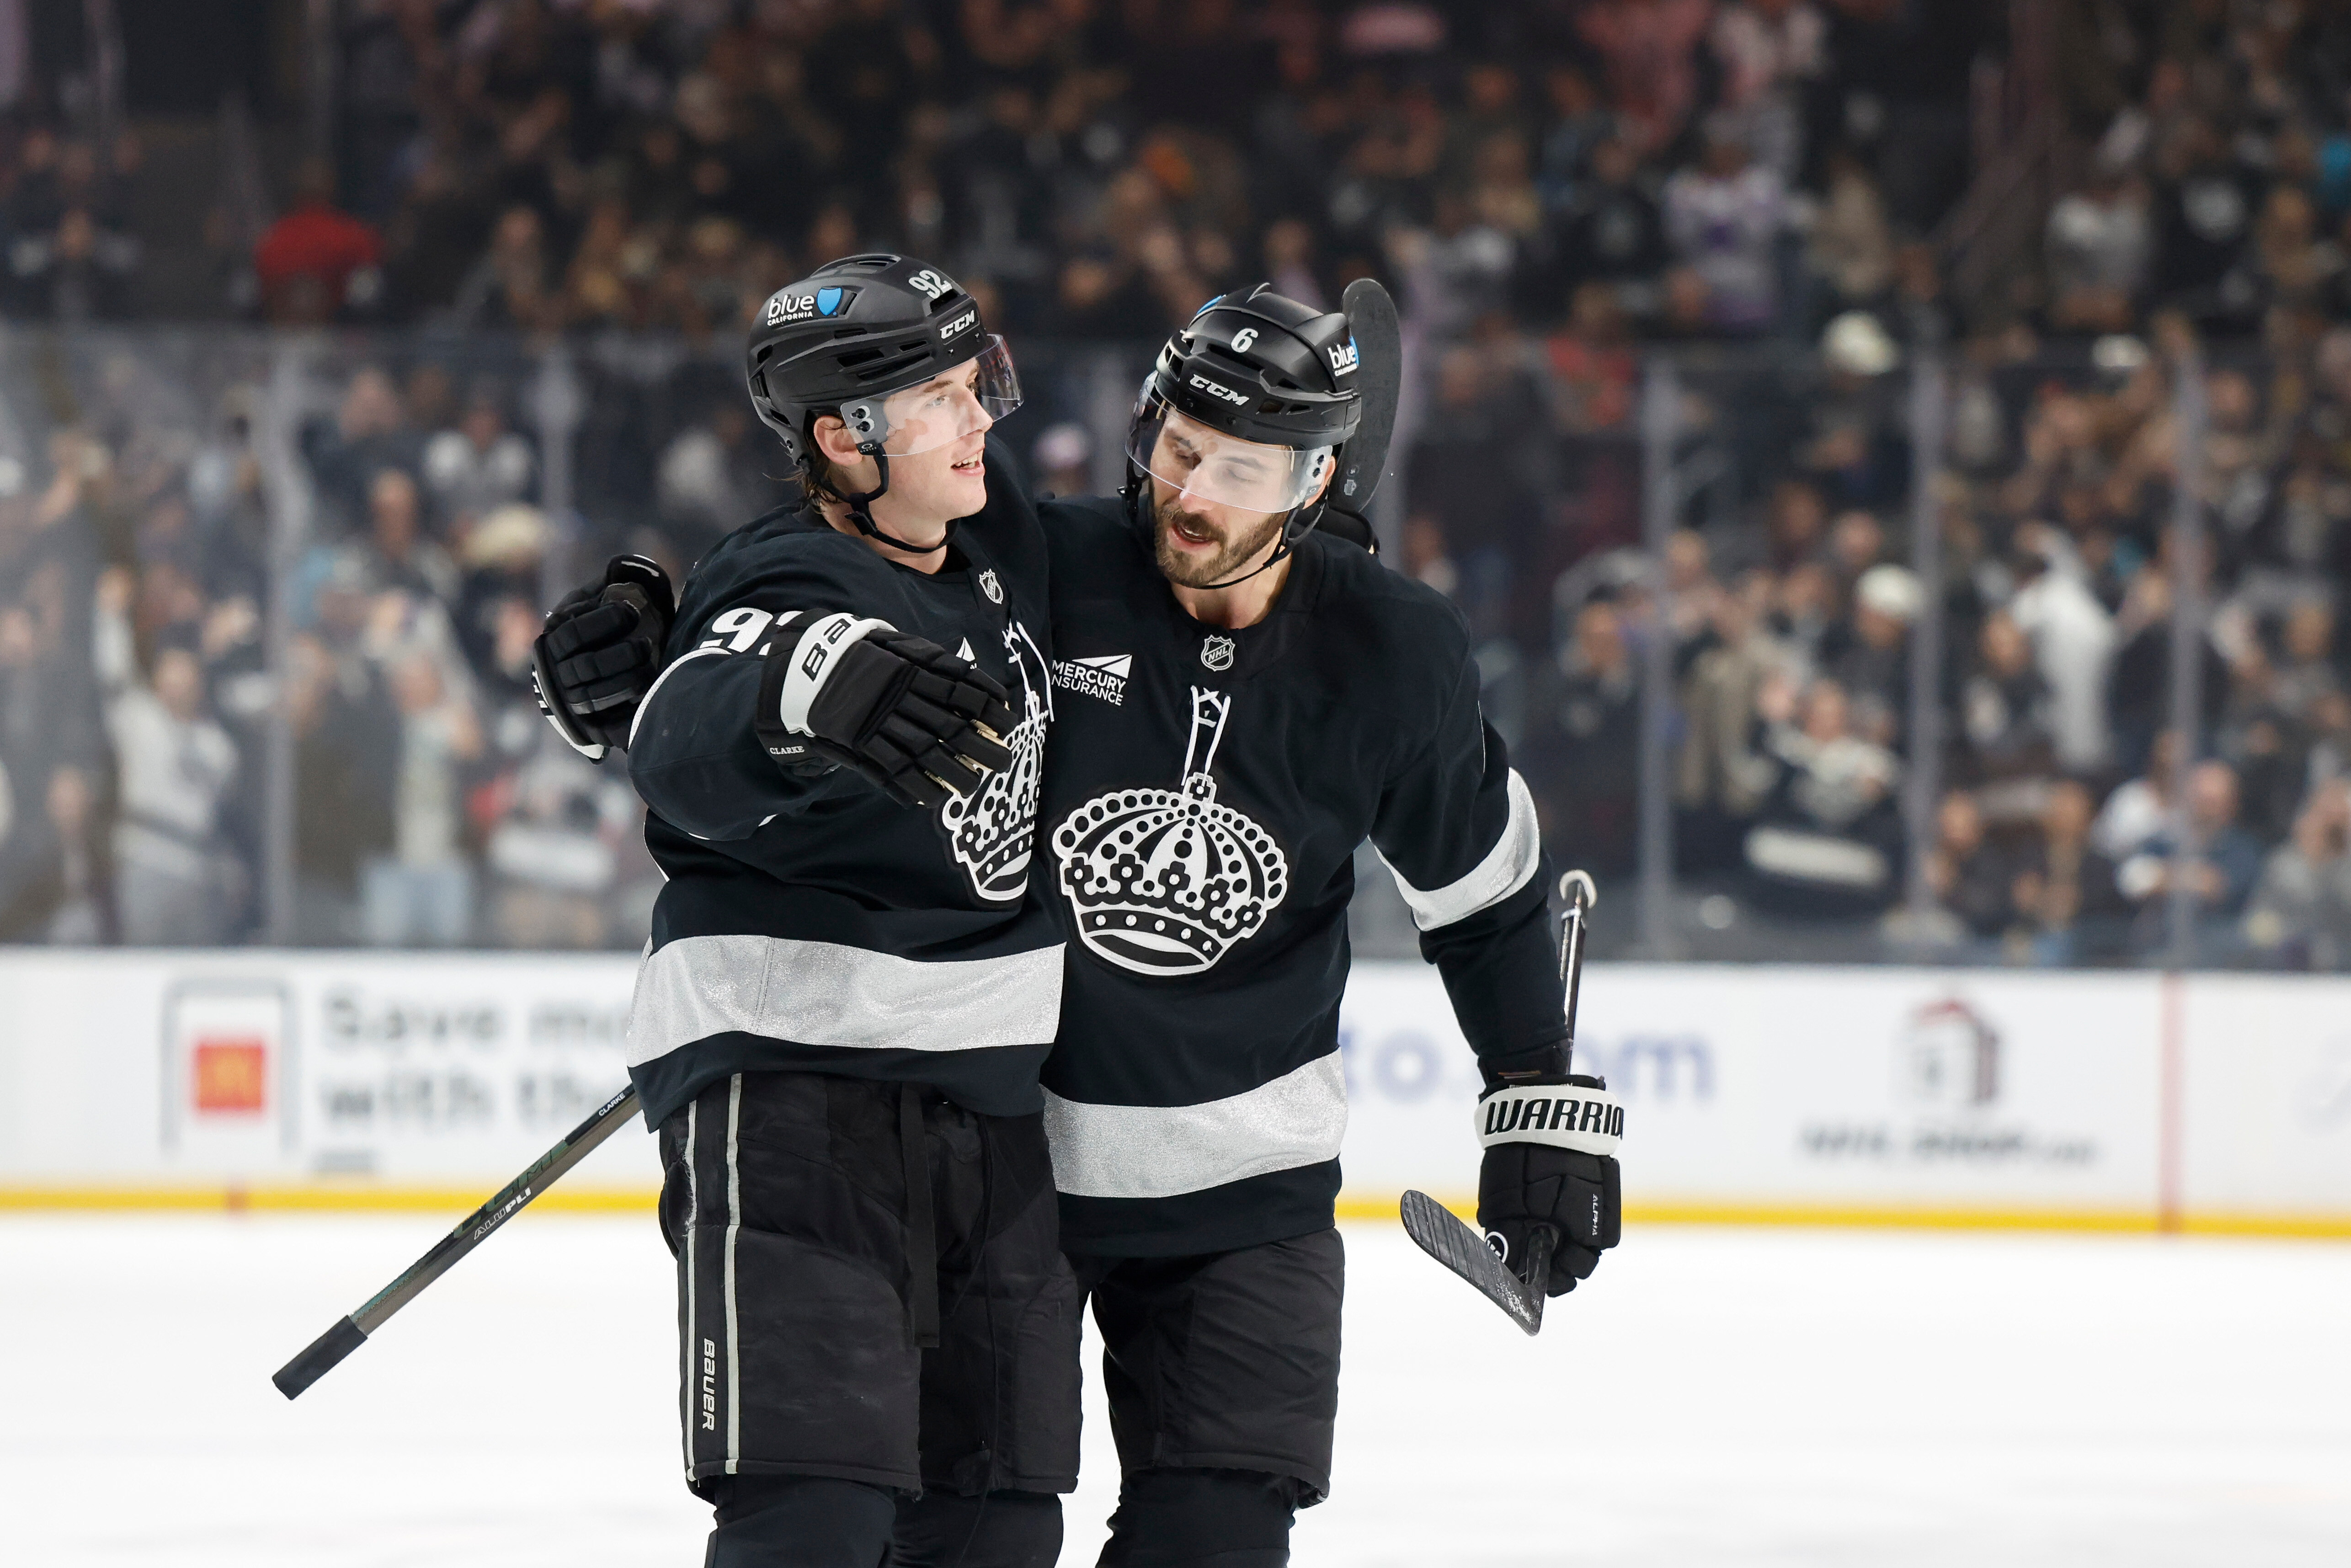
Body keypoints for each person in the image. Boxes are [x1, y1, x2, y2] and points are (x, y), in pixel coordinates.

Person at [541, 284, 1625, 1564]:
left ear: (1316, 478)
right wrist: (696, 648)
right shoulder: (1047, 565)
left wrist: (1538, 1088)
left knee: (1218, 1536)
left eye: (1239, 470)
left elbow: (1486, 893)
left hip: (1244, 1181)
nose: (1191, 495)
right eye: (1175, 449)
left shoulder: (1392, 652)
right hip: (1016, 1159)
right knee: (959, 1529)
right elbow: (841, 548)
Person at [541, 255, 1075, 1567]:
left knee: (998, 1523)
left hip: (994, 1115)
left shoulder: (1001, 546)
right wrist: (807, 679)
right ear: (844, 437)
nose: (979, 422)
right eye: (943, 398)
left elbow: (1169, 576)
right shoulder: (779, 576)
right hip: (798, 1112)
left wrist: (1300, 529)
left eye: (977, 385)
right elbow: (687, 729)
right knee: (816, 1516)